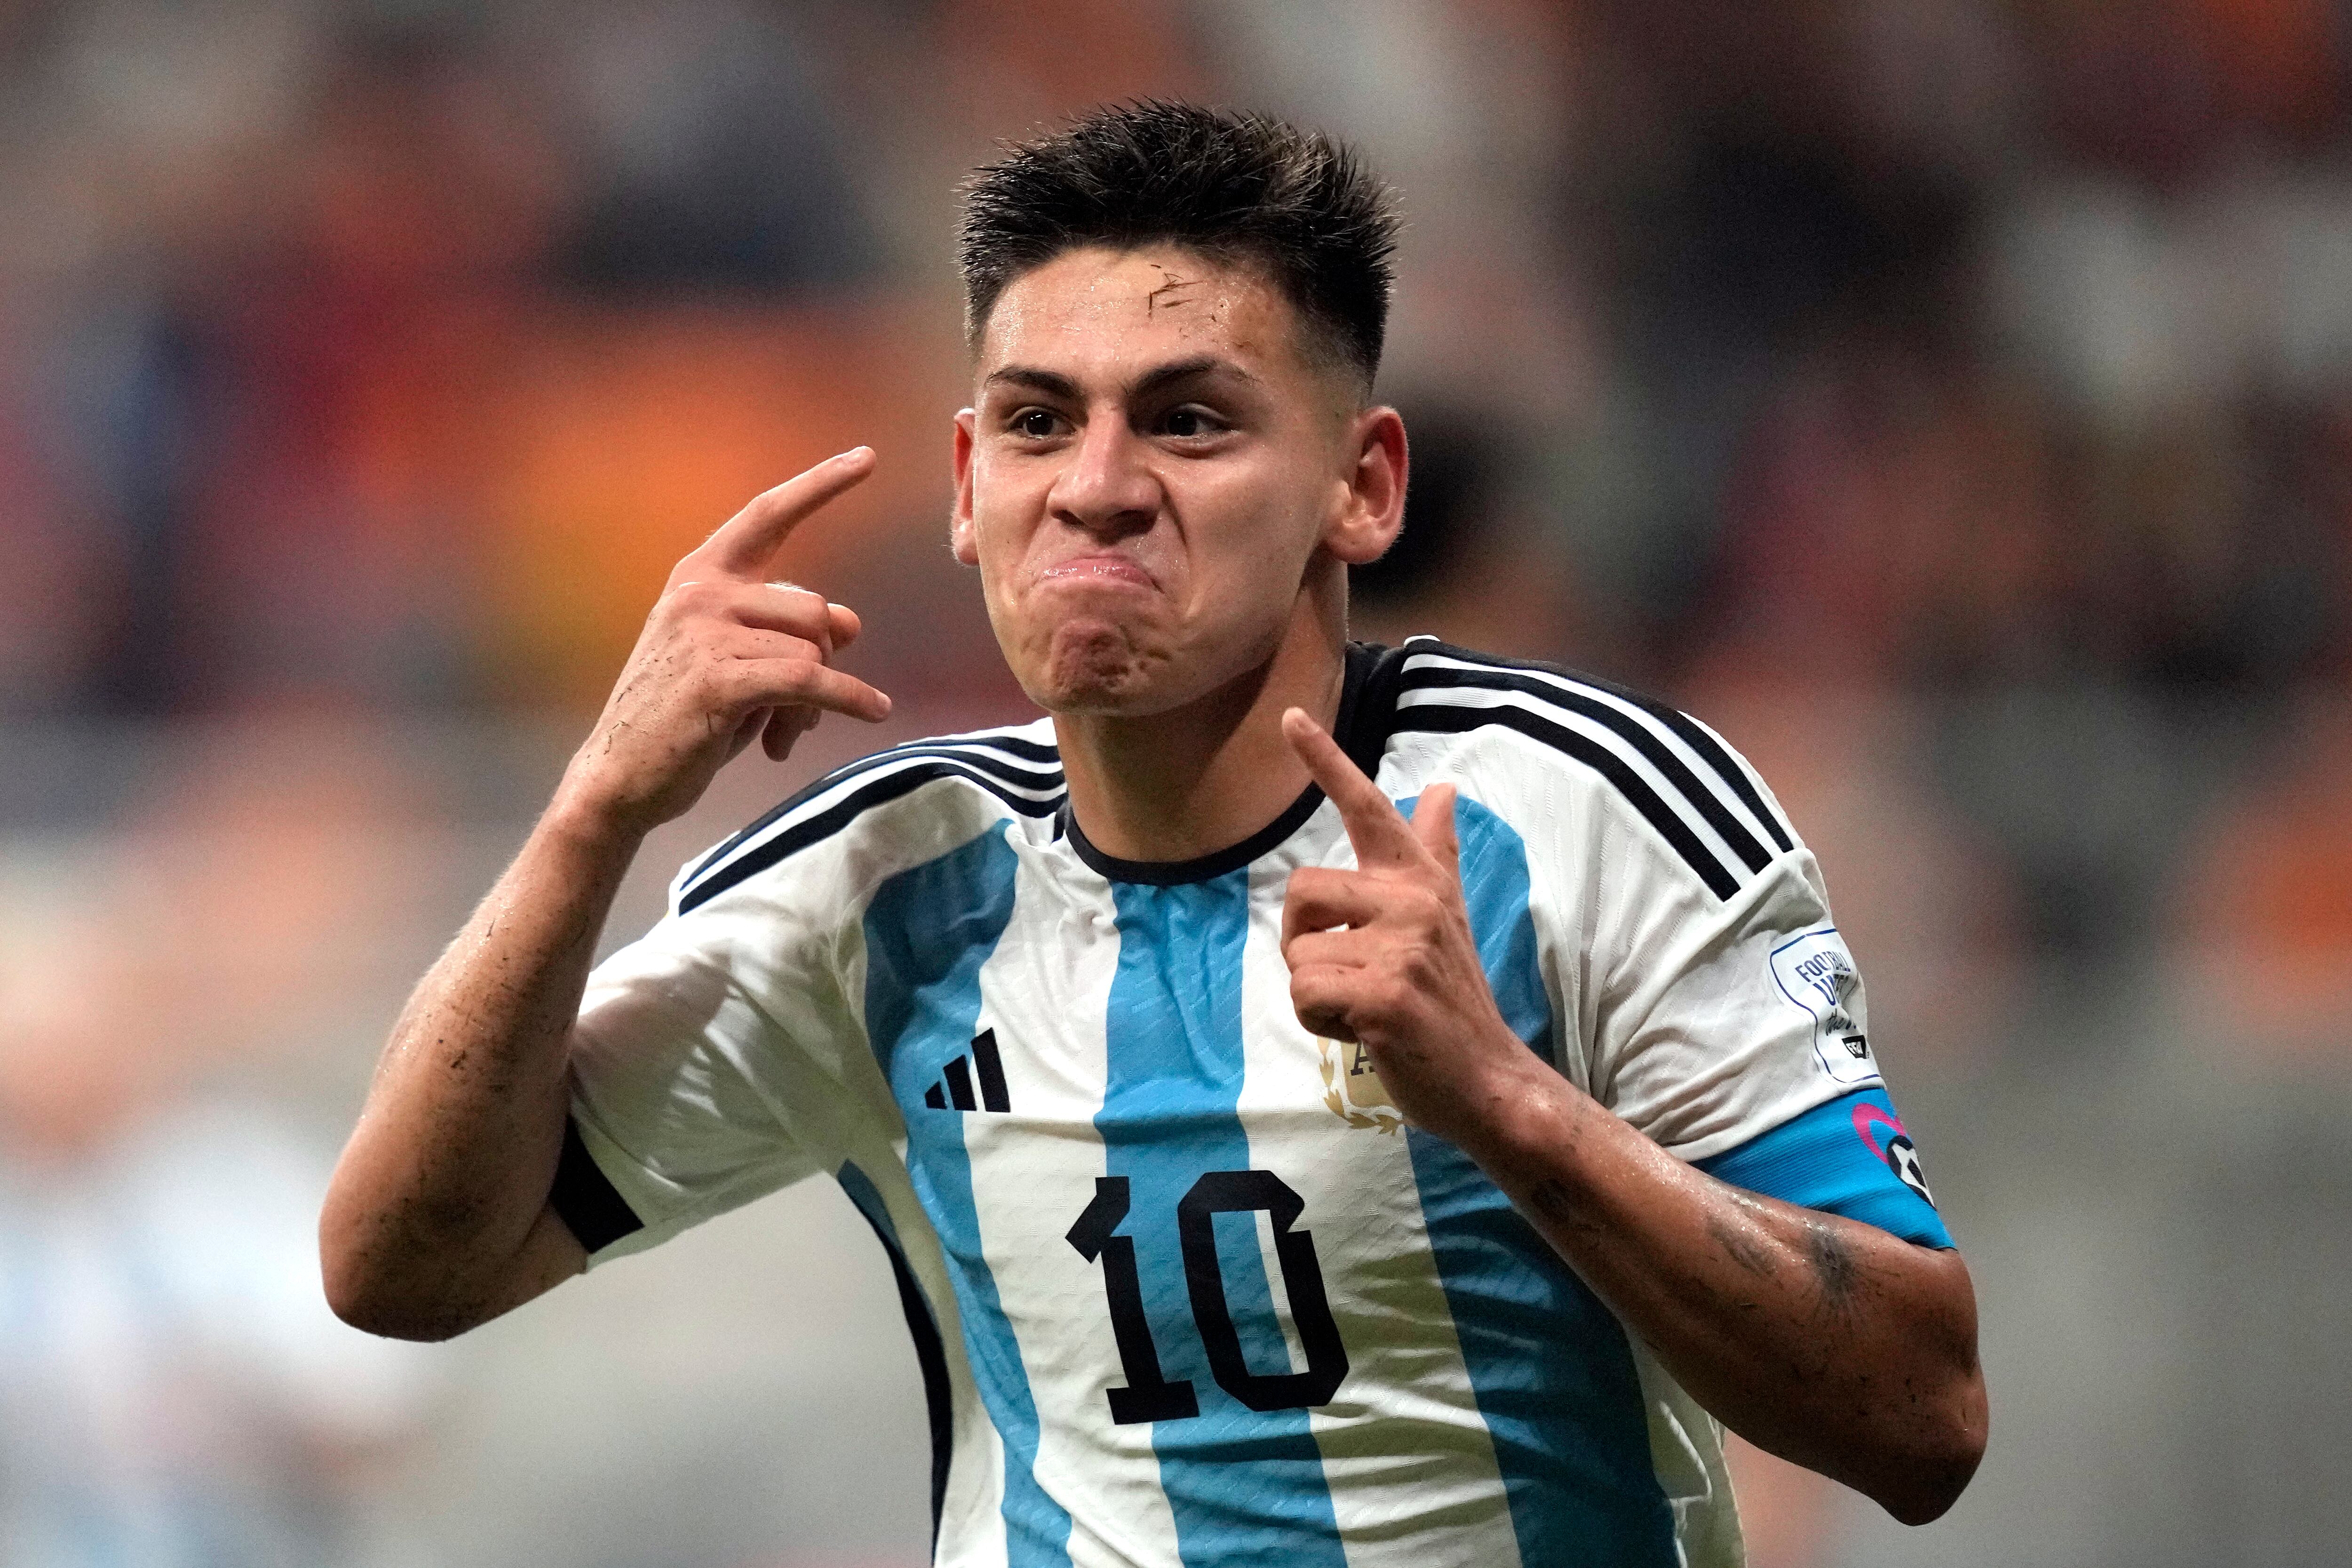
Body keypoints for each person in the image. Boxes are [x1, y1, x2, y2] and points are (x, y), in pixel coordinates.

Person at [321, 102, 1986, 1566]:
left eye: (1189, 420)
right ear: (967, 484)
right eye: (1039, 421)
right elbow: (401, 1267)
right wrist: (594, 813)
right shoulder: (884, 884)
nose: (1098, 485)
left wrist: (1502, 1101)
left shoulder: (1586, 810)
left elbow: (1923, 1414)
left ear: (1364, 485)